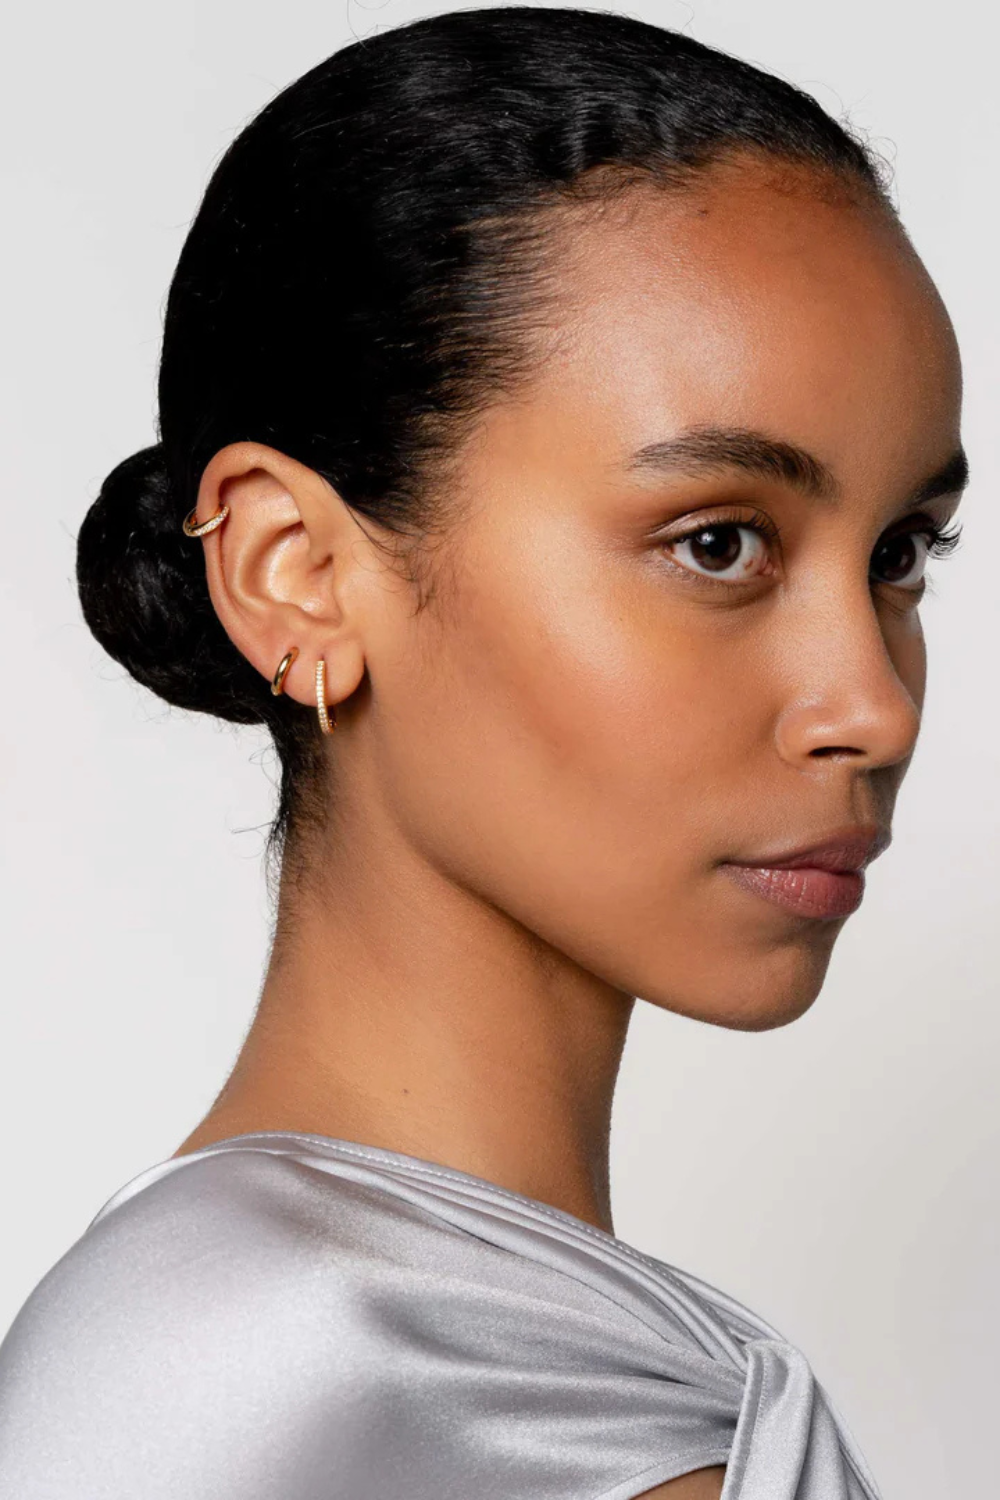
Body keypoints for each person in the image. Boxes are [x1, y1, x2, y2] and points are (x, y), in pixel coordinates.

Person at [0, 7, 967, 1497]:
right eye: (718, 543)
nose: (874, 706)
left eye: (899, 552)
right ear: (297, 574)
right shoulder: (255, 1376)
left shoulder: (511, 1375)